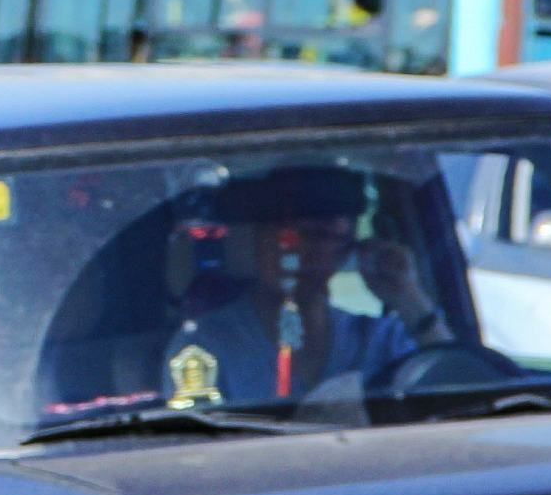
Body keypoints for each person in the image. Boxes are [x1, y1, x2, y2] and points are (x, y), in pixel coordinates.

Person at [158, 167, 437, 406]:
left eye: (320, 235)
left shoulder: (381, 340)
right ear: (256, 241)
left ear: (348, 247)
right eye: (282, 233)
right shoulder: (206, 345)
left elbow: (461, 392)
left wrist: (410, 300)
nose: (296, 250)